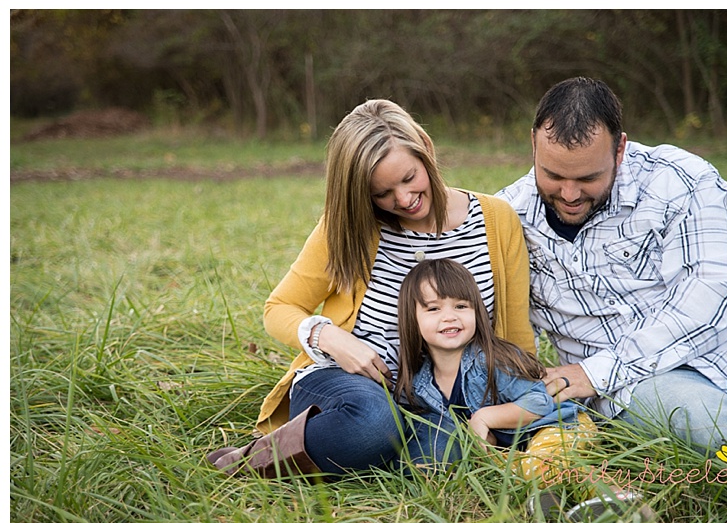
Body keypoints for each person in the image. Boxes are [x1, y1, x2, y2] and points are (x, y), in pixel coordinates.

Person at [207, 98, 535, 478]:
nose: (403, 200)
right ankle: (255, 460)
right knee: (374, 422)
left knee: (449, 450)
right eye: (381, 193)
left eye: (409, 178)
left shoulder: (495, 219)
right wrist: (331, 339)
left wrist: (529, 394)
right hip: (348, 388)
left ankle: (367, 453)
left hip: (440, 398)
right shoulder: (350, 226)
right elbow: (278, 308)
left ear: (426, 149)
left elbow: (513, 331)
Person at [496, 77, 727, 495]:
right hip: (635, 390)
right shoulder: (509, 217)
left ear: (620, 148)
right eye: (554, 174)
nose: (569, 194)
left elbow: (712, 298)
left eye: (588, 178)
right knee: (713, 424)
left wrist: (594, 372)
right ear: (533, 145)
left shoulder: (682, 181)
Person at [395, 257, 594, 480]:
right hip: (518, 447)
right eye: (433, 308)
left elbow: (539, 402)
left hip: (560, 426)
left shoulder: (492, 359)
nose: (449, 316)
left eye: (461, 306)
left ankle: (611, 494)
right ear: (412, 319)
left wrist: (484, 418)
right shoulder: (421, 383)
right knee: (509, 470)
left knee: (539, 465)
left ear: (477, 313)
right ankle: (552, 500)